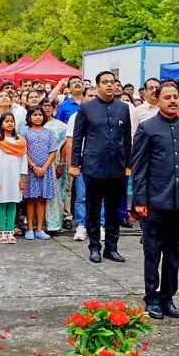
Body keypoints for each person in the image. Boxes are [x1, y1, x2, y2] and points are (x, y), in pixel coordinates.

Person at [131, 81, 179, 320]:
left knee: (174, 253)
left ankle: (168, 297)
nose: (172, 101)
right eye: (167, 97)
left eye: (175, 97)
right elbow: (139, 168)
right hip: (154, 202)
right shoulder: (147, 128)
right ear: (157, 100)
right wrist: (139, 199)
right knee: (153, 252)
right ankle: (152, 298)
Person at [71, 71, 132, 264]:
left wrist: (129, 164)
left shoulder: (123, 108)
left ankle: (111, 248)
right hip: (93, 167)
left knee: (115, 211)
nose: (109, 85)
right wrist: (75, 164)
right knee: (93, 209)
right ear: (97, 86)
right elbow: (78, 137)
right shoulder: (86, 108)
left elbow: (127, 139)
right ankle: (95, 247)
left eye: (112, 82)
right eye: (104, 82)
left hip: (117, 167)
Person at [63, 86, 98, 241]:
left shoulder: (107, 115)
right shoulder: (75, 117)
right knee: (81, 196)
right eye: (90, 95)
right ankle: (81, 225)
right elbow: (70, 142)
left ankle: (100, 226)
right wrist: (73, 164)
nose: (93, 98)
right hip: (83, 162)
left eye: (95, 96)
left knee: (100, 197)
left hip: (102, 163)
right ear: (83, 98)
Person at [0, 112, 28, 244]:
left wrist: (23, 177)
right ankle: (2, 232)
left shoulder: (20, 141)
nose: (10, 123)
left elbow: (24, 161)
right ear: (1, 124)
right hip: (0, 177)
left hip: (15, 177)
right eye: (7, 121)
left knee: (12, 202)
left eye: (12, 121)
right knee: (1, 202)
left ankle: (10, 231)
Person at [23, 106, 57, 240]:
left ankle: (40, 229)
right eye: (34, 115)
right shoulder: (24, 132)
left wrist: (44, 167)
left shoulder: (49, 133)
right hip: (30, 171)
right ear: (29, 117)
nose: (38, 117)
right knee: (31, 199)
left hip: (45, 170)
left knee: (42, 199)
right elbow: (23, 151)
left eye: (40, 115)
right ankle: (30, 228)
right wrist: (33, 166)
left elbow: (53, 151)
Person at [41, 98, 69, 232]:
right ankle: (39, 224)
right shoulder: (32, 125)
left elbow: (64, 146)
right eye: (44, 106)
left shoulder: (61, 126)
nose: (46, 108)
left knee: (56, 193)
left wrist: (62, 164)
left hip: (55, 163)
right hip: (37, 164)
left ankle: (54, 224)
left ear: (54, 108)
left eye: (49, 106)